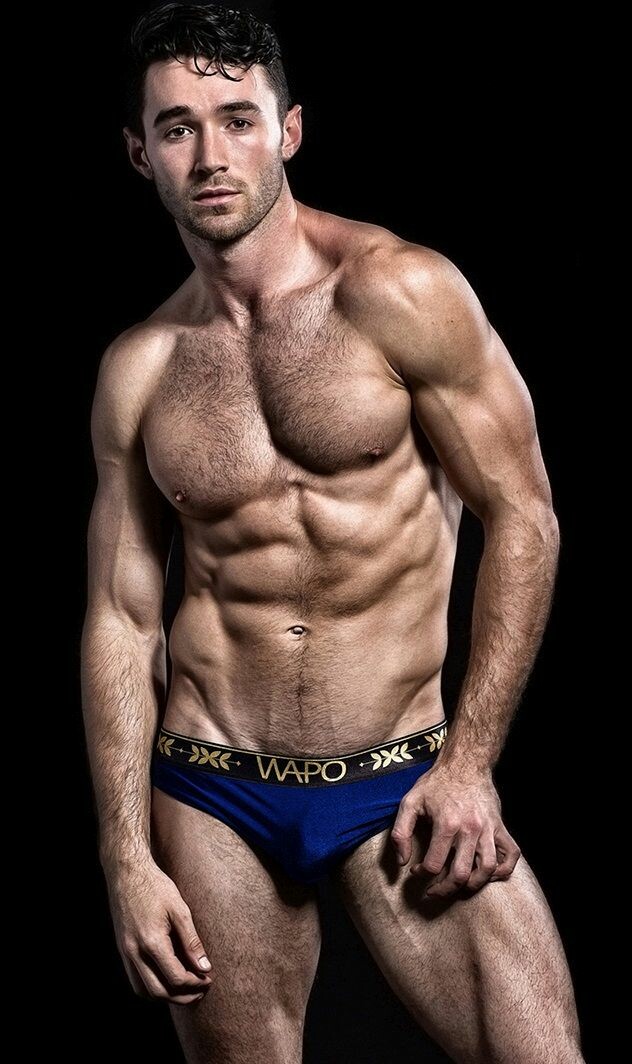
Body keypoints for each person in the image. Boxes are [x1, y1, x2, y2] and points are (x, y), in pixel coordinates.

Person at [80, 2, 585, 1061]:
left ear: (290, 130)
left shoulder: (399, 291)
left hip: (402, 770)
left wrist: (470, 764)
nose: (210, 156)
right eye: (177, 128)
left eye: (237, 120)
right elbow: (123, 621)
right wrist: (126, 855)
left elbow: (524, 515)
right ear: (139, 153)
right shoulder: (141, 368)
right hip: (212, 782)